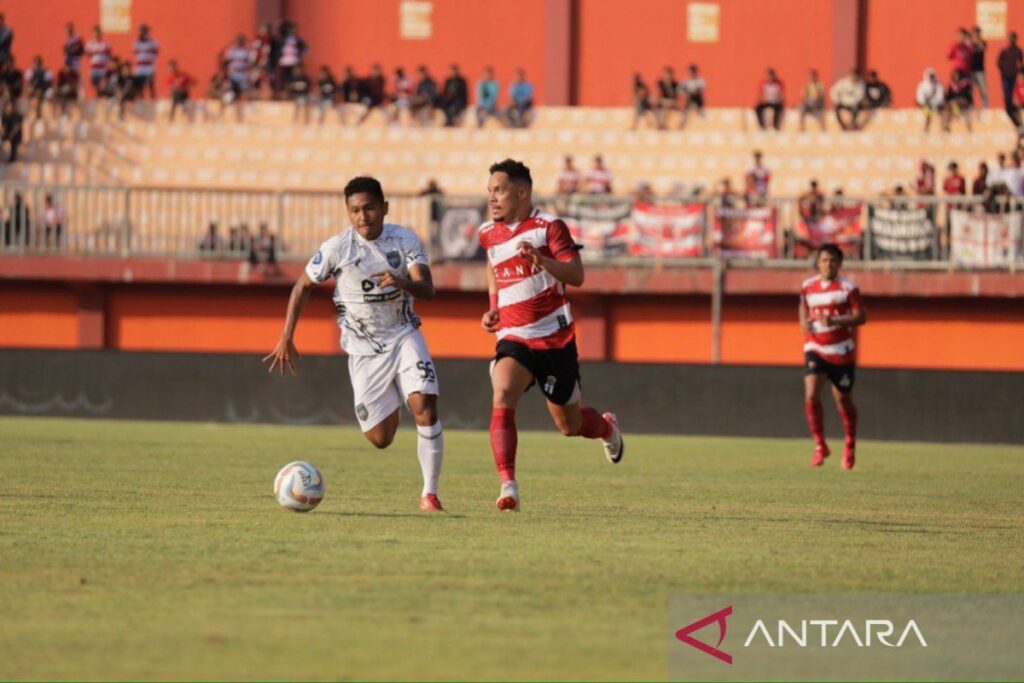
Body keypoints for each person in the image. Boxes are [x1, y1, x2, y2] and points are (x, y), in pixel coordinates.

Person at [264, 177, 446, 513]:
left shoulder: (404, 240)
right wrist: (287, 335)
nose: (363, 216)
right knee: (381, 438)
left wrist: (402, 281)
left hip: (404, 333)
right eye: (355, 211)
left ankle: (430, 494)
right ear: (349, 213)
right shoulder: (337, 249)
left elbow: (428, 289)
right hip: (364, 351)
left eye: (370, 208)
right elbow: (302, 286)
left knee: (425, 405)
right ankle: (398, 400)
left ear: (384, 208)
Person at [477, 159, 623, 511]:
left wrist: (543, 261)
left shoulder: (549, 227)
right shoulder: (488, 232)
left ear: (522, 191)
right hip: (513, 335)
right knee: (503, 392)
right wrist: (494, 306)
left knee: (569, 426)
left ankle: (606, 429)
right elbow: (493, 265)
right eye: (489, 192)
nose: (492, 199)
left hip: (555, 339)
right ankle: (508, 486)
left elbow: (576, 274)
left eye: (499, 191)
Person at [799, 243, 867, 470]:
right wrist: (803, 321)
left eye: (833, 260)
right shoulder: (808, 286)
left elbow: (861, 317)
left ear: (840, 263)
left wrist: (836, 321)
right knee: (810, 393)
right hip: (816, 348)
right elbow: (803, 306)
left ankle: (850, 445)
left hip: (841, 352)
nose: (829, 264)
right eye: (825, 260)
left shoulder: (848, 288)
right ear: (818, 263)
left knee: (843, 400)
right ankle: (820, 445)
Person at [997, 32, 1023, 127]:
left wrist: (1018, 71)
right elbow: (999, 63)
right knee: (1007, 100)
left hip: (1014, 77)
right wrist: (1004, 70)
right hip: (1006, 77)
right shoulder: (1004, 51)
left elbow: (1020, 63)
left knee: (1015, 98)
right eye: (1010, 38)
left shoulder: (1019, 51)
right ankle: (1017, 122)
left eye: (1013, 38)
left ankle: (1017, 119)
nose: (1012, 40)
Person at [132, 24, 159, 99]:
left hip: (149, 67)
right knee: (139, 87)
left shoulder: (153, 41)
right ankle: (140, 103)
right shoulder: (136, 42)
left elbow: (156, 53)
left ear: (146, 32)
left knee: (150, 85)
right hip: (139, 68)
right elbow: (135, 53)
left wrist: (150, 59)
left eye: (143, 31)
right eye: (140, 31)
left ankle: (153, 102)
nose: (141, 33)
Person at [85, 25, 112, 97]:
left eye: (98, 33)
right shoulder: (89, 44)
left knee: (104, 87)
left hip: (103, 69)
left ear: (101, 33)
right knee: (96, 88)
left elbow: (109, 56)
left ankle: (104, 102)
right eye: (95, 33)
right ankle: (97, 102)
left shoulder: (106, 44)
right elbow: (87, 55)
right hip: (94, 69)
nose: (96, 35)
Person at [915, 68, 945, 132]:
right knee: (927, 112)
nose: (931, 78)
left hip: (937, 105)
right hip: (925, 106)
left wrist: (933, 103)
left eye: (932, 76)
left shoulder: (939, 85)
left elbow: (940, 97)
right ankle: (925, 128)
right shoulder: (922, 85)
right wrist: (925, 103)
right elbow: (920, 97)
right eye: (929, 76)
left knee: (943, 112)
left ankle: (943, 128)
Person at [677, 63, 706, 128]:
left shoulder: (700, 81)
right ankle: (681, 125)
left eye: (691, 72)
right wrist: (684, 94)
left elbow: (699, 91)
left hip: (698, 101)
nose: (690, 74)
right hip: (688, 101)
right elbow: (679, 90)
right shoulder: (685, 81)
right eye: (689, 72)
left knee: (693, 98)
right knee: (685, 111)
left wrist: (690, 93)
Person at [970, 26, 988, 108]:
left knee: (983, 89)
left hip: (980, 70)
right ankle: (970, 106)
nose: (976, 35)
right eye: (975, 33)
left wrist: (978, 40)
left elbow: (982, 48)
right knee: (970, 90)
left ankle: (985, 106)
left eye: (977, 33)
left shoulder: (982, 42)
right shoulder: (970, 43)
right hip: (971, 70)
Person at [1, 98, 23, 162]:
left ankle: (12, 157)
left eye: (10, 106)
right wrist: (3, 133)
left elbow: (16, 127)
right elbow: (3, 127)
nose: (8, 108)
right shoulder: (4, 116)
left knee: (13, 139)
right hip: (7, 133)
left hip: (15, 134)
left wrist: (10, 134)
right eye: (7, 106)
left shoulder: (17, 115)